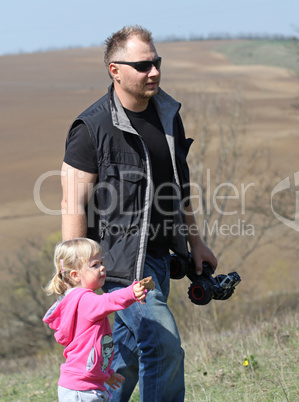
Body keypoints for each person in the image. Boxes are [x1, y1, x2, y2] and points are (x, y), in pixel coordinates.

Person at [60, 25, 217, 401]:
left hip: (160, 259)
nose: (155, 72)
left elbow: (180, 187)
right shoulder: (91, 127)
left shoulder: (168, 115)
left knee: (127, 359)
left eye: (157, 62)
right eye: (144, 65)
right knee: (163, 346)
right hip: (116, 266)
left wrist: (195, 242)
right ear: (115, 70)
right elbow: (72, 204)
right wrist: (77, 278)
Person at [43, 237, 147, 401]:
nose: (102, 267)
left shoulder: (74, 300)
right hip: (81, 389)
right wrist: (130, 292)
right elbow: (108, 301)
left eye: (101, 262)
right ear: (75, 275)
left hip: (85, 385)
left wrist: (106, 374)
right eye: (95, 265)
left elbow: (89, 349)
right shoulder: (84, 300)